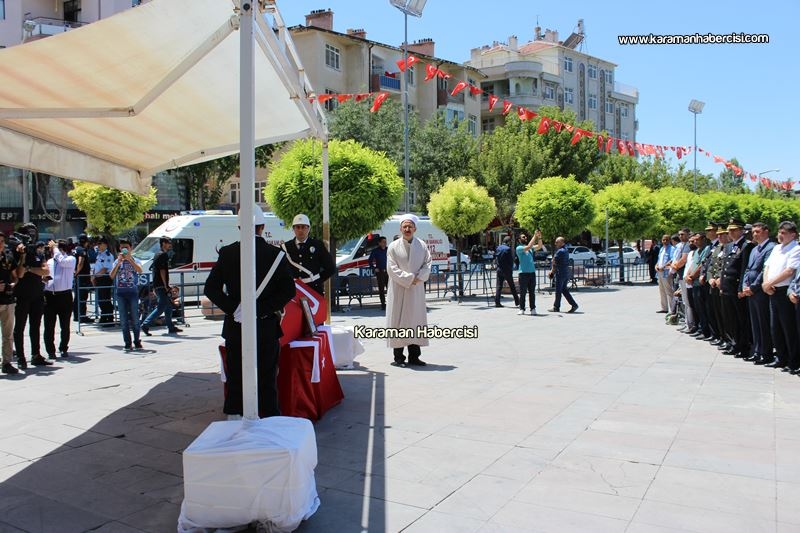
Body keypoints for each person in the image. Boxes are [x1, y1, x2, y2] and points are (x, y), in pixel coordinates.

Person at [204, 206, 296, 417]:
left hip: (236, 326)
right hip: (265, 326)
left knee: (236, 376)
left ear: (239, 226)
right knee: (266, 377)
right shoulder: (276, 255)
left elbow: (211, 288)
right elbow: (288, 291)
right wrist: (259, 309)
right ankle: (269, 418)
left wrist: (234, 308)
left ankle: (234, 417)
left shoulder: (227, 253)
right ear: (262, 227)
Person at [386, 214, 432, 367]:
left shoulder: (422, 245)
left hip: (416, 290)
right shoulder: (393, 247)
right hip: (399, 289)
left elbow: (428, 264)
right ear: (400, 228)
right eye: (404, 226)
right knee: (397, 321)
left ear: (415, 228)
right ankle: (398, 357)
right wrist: (409, 278)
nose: (407, 229)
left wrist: (419, 278)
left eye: (410, 226)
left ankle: (414, 356)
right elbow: (391, 268)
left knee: (415, 321)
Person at [762, 221, 800, 371]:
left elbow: (789, 271)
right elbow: (768, 266)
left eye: (784, 233)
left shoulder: (796, 249)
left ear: (793, 235)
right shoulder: (777, 248)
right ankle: (781, 357)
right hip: (772, 290)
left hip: (785, 291)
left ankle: (793, 360)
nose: (780, 235)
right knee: (775, 327)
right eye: (779, 232)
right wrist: (766, 284)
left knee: (788, 327)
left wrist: (770, 282)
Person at [14, 238, 51, 368]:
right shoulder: (17, 253)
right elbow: (20, 274)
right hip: (22, 296)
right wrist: (23, 256)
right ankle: (20, 357)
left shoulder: (38, 254)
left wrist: (30, 269)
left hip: (37, 295)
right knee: (20, 328)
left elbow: (46, 271)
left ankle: (36, 355)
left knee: (35, 327)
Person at [742, 222, 776, 365]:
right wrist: (745, 285)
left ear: (766, 231)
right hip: (751, 290)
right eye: (754, 232)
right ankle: (757, 351)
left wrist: (753, 287)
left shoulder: (771, 248)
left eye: (758, 231)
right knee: (755, 322)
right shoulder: (755, 249)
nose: (755, 234)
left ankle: (766, 353)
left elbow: (764, 271)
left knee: (763, 323)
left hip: (760, 291)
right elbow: (748, 269)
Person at [283, 213, 335, 296]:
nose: (300, 230)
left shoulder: (317, 245)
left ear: (309, 228)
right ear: (293, 229)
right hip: (293, 291)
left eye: (303, 227)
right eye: (297, 227)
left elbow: (331, 268)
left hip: (313, 290)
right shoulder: (286, 247)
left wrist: (317, 280)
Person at [141, 236, 182, 336]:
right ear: (163, 243)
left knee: (168, 307)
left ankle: (170, 327)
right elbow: (162, 271)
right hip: (161, 285)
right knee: (161, 307)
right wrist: (166, 285)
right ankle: (145, 324)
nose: (170, 245)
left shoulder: (157, 254)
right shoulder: (163, 255)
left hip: (157, 284)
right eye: (168, 243)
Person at [43, 239, 76, 360]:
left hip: (64, 296)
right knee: (49, 325)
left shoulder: (70, 259)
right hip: (50, 295)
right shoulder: (50, 261)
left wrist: (56, 248)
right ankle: (50, 350)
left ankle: (63, 347)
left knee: (65, 325)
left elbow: (62, 262)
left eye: (59, 249)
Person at [110, 239, 144, 352]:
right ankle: (127, 342)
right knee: (123, 319)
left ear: (130, 248)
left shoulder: (135, 259)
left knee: (135, 318)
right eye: (122, 248)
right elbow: (111, 275)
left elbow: (140, 271)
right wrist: (119, 263)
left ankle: (137, 340)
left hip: (133, 292)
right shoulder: (117, 261)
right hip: (120, 293)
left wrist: (130, 260)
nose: (124, 250)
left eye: (126, 248)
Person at [0, 232, 19, 374]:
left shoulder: (8, 256)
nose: (0, 244)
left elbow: (15, 277)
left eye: (2, 241)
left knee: (8, 334)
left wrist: (12, 284)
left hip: (7, 300)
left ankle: (6, 362)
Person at [548, 236, 579, 313]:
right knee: (564, 290)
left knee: (558, 291)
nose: (555, 244)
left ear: (562, 242)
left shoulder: (560, 251)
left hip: (560, 273)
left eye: (557, 242)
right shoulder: (566, 250)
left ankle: (556, 307)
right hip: (566, 273)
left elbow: (554, 261)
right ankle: (574, 305)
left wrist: (551, 272)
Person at [516, 230, 543, 315]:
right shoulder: (519, 248)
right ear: (519, 240)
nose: (525, 237)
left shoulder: (530, 249)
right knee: (523, 292)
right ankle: (522, 308)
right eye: (523, 237)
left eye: (525, 236)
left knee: (532, 292)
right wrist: (534, 236)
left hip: (532, 273)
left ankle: (533, 309)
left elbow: (539, 246)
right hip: (523, 273)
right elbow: (528, 246)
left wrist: (539, 237)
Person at [92, 237, 116, 325]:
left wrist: (94, 276)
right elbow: (97, 267)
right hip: (99, 278)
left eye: (100, 243)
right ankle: (104, 316)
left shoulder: (108, 255)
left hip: (105, 278)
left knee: (105, 299)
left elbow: (105, 269)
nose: (98, 245)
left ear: (105, 245)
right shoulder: (99, 254)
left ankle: (109, 318)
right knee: (101, 299)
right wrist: (94, 277)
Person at [73, 233, 93, 323]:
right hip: (83, 277)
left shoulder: (76, 248)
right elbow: (81, 262)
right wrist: (77, 272)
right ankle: (82, 316)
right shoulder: (82, 250)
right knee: (82, 297)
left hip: (79, 277)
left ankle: (77, 316)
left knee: (78, 296)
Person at [493, 236, 519, 308]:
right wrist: (511, 269)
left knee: (499, 286)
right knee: (512, 286)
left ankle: (497, 302)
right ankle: (517, 302)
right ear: (508, 242)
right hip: (507, 270)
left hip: (499, 269)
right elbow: (510, 261)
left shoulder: (498, 248)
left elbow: (495, 257)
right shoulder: (508, 249)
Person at [368, 236, 389, 311]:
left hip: (388, 272)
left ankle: (390, 304)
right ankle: (383, 304)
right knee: (381, 289)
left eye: (385, 242)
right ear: (379, 243)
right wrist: (374, 268)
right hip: (380, 272)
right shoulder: (375, 251)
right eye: (383, 242)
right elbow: (370, 261)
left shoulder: (388, 250)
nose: (385, 243)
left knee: (390, 289)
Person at [654, 234, 673, 313]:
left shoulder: (671, 249)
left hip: (666, 272)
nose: (665, 241)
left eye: (666, 240)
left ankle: (672, 309)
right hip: (659, 272)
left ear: (669, 240)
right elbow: (659, 259)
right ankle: (664, 308)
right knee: (661, 290)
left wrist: (664, 267)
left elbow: (672, 260)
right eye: (663, 240)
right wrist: (656, 266)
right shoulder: (662, 249)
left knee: (668, 290)